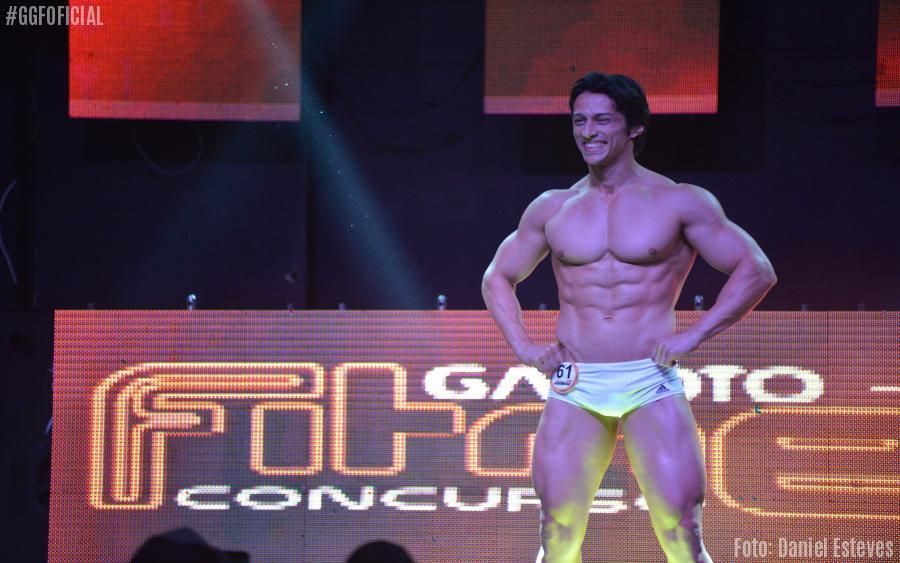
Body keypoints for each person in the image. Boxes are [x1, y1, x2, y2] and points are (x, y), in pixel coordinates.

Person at [481, 72, 776, 563]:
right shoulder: (553, 207)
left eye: (602, 120)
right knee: (557, 530)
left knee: (681, 528)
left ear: (634, 127)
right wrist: (525, 348)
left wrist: (695, 334)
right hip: (577, 382)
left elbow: (756, 270)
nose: (588, 132)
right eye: (579, 121)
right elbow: (497, 278)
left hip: (649, 380)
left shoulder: (680, 201)